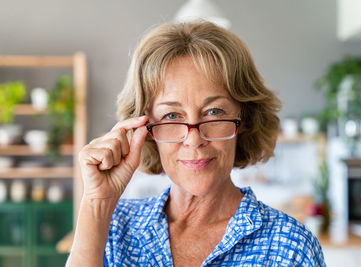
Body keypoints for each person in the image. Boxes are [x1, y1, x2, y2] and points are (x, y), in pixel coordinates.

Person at [66, 21, 326, 266]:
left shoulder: (290, 247)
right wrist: (96, 203)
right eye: (171, 116)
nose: (194, 139)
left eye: (214, 112)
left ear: (243, 118)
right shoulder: (113, 229)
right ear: (145, 129)